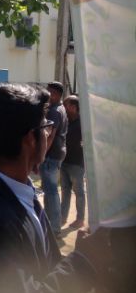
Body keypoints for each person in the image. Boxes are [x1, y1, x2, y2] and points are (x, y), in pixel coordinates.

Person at [0, 83, 110, 293]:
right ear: (30, 139)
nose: (48, 133)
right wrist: (83, 260)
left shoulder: (18, 191)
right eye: (45, 127)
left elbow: (46, 266)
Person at [40, 81, 68, 237]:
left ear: (56, 94)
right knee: (49, 190)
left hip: (51, 155)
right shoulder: (61, 108)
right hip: (58, 154)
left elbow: (49, 136)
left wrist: (41, 154)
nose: (46, 94)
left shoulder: (54, 111)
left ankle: (55, 228)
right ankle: (49, 225)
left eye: (48, 91)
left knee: (51, 192)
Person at [61, 95, 85, 229]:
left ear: (74, 107)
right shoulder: (66, 121)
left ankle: (80, 219)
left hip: (77, 163)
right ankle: (62, 217)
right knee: (65, 191)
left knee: (79, 192)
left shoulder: (83, 123)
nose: (63, 107)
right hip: (64, 161)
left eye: (66, 105)